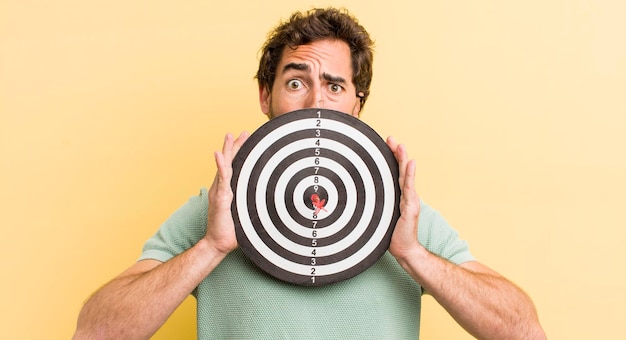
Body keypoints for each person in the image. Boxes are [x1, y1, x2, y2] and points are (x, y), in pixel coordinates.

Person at [73, 7, 545, 339]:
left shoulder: (403, 214)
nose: (316, 102)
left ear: (356, 106)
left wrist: (413, 254)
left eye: (335, 86)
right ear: (266, 96)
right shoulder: (216, 208)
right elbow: (94, 332)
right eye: (296, 82)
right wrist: (211, 247)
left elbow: (525, 331)